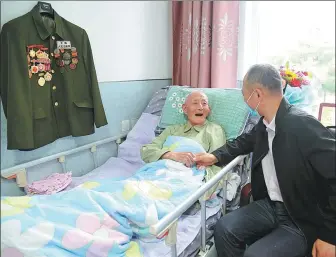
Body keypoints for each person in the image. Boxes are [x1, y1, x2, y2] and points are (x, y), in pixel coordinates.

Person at [195, 64, 336, 257]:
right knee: (224, 228)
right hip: (271, 206)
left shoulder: (302, 125)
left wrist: (330, 235)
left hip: (299, 215)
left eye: (245, 95)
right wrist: (215, 156)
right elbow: (244, 142)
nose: (245, 100)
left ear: (257, 95)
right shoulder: (265, 124)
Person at [140, 91, 226, 194]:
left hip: (186, 179)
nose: (200, 107)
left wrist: (206, 190)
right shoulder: (172, 130)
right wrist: (171, 155)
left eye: (204, 103)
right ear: (185, 109)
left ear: (208, 110)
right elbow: (146, 151)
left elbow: (218, 163)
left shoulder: (214, 130)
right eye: (195, 103)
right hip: (160, 174)